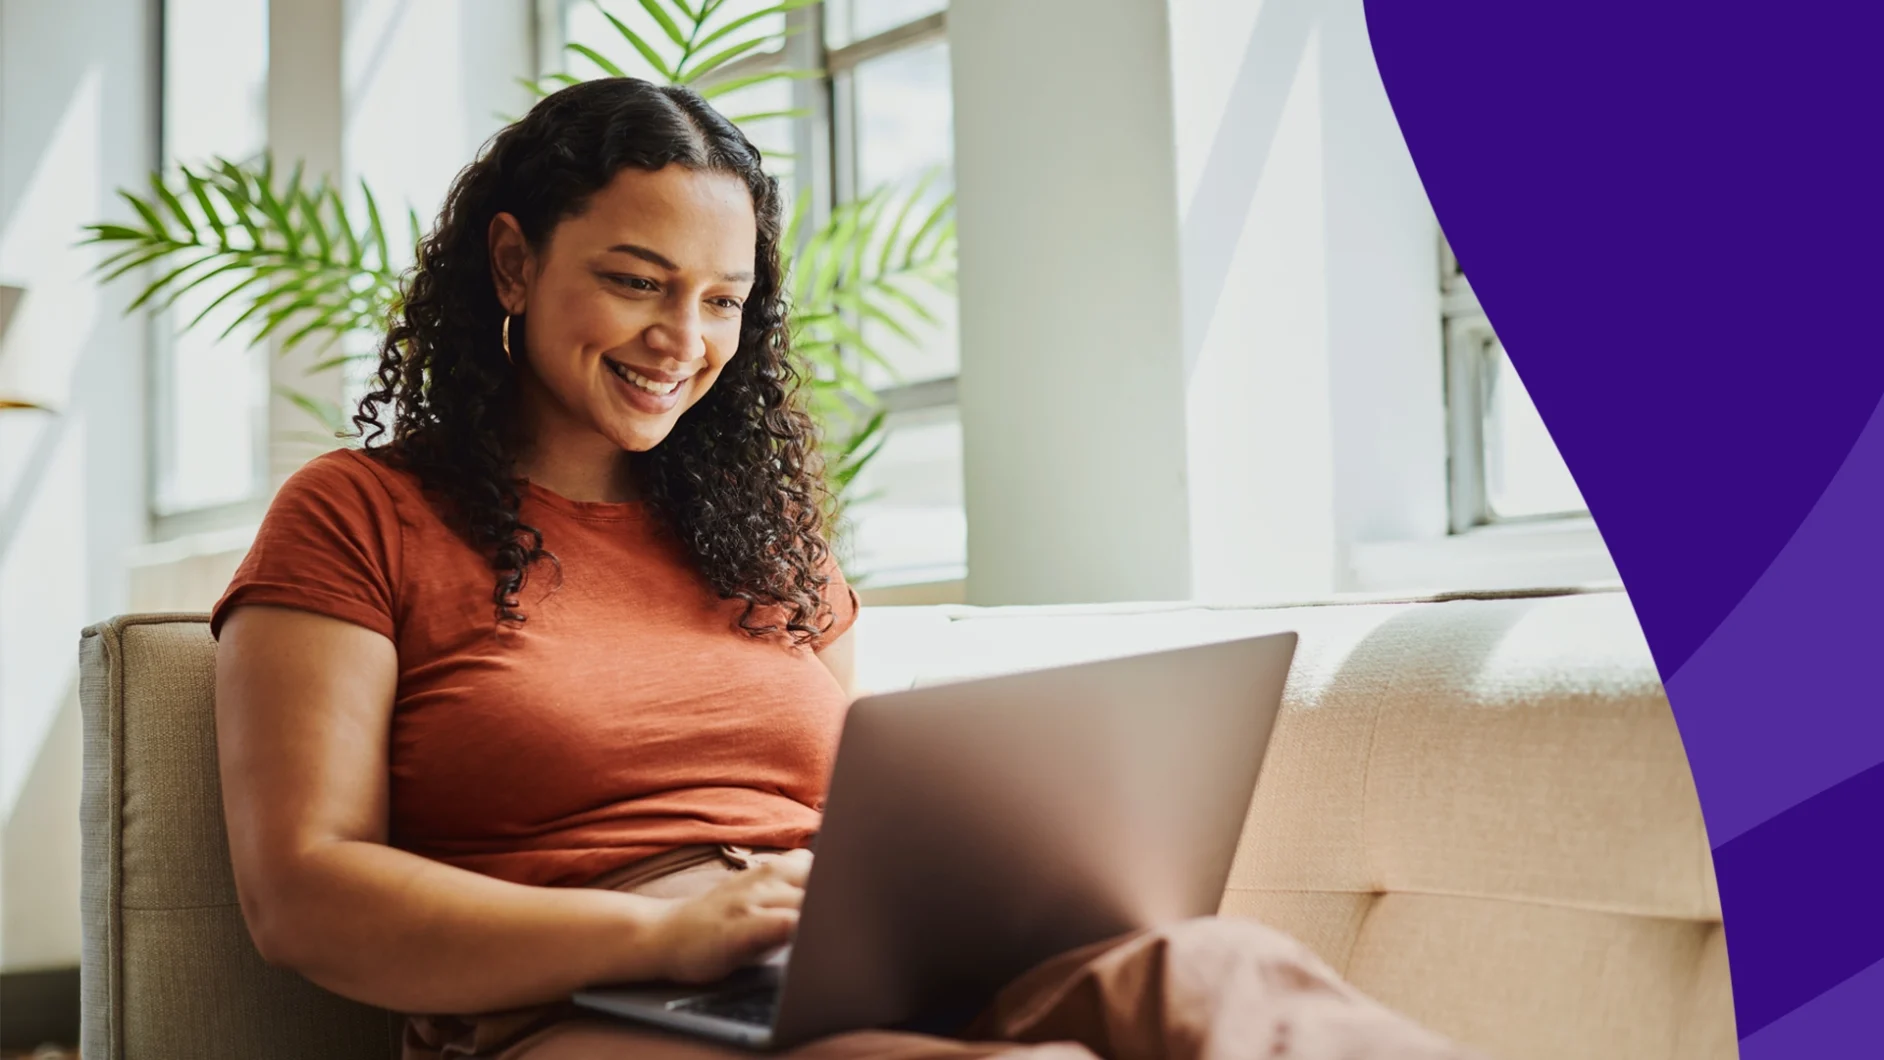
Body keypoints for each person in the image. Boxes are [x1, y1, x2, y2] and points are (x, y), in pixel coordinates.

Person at [211, 78, 1483, 1060]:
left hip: (828, 955)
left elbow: (867, 805)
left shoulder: (762, 534)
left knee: (1222, 972)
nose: (682, 339)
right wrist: (662, 928)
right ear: (511, 264)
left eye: (724, 301)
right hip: (588, 1003)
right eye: (637, 282)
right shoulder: (358, 516)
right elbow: (303, 893)